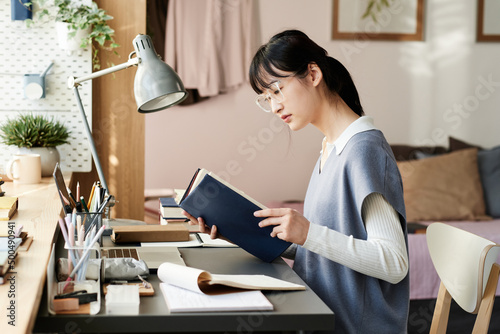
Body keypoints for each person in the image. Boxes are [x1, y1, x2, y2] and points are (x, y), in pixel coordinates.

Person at [184, 29, 409, 334]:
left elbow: (393, 263)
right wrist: (239, 232)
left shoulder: (364, 150)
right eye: (266, 99)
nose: (274, 107)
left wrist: (308, 232)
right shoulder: (330, 149)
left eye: (276, 90)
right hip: (318, 317)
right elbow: (321, 250)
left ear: (313, 74)